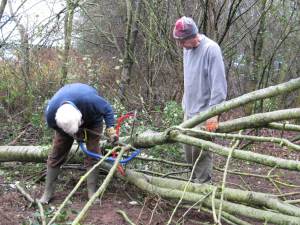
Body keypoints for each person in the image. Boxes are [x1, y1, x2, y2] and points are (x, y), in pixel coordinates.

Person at [39, 83, 118, 204]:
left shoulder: (90, 100)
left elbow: (107, 109)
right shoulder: (51, 115)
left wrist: (111, 130)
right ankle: (47, 194)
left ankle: (92, 192)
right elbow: (57, 128)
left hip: (92, 120)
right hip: (66, 127)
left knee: (93, 153)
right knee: (57, 153)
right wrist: (72, 133)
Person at [173, 16, 227, 183]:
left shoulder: (211, 49)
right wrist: (185, 105)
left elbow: (219, 86)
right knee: (188, 153)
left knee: (201, 154)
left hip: (204, 113)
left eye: (182, 41)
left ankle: (203, 188)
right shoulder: (186, 50)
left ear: (192, 36)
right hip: (189, 110)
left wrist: (213, 114)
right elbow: (190, 78)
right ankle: (193, 186)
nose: (180, 45)